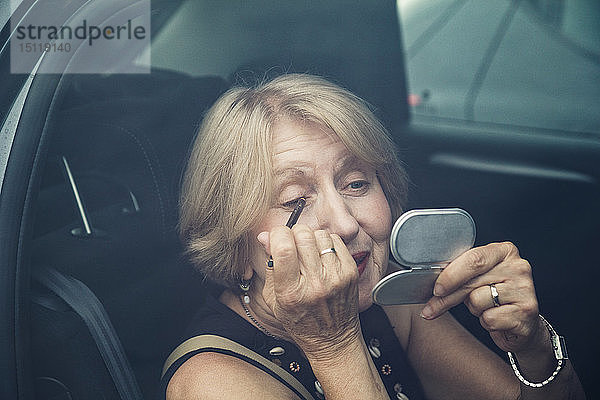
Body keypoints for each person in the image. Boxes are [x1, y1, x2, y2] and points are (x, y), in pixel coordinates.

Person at [161, 74, 584, 399]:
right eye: (294, 201)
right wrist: (335, 345)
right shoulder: (211, 382)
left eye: (356, 183)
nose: (346, 224)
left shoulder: (390, 303)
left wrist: (532, 348)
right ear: (235, 242)